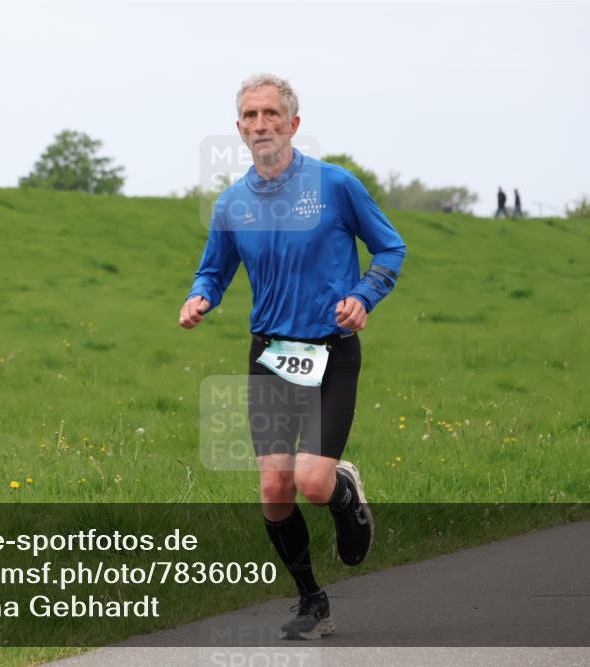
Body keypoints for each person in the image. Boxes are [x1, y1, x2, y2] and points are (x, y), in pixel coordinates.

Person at [179, 74, 406, 640]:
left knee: (310, 480)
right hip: (270, 355)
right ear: (239, 129)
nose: (261, 124)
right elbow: (214, 267)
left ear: (293, 124)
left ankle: (343, 490)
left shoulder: (335, 185)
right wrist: (200, 294)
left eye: (272, 114)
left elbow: (390, 247)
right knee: (275, 486)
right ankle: (312, 601)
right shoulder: (232, 203)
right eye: (251, 116)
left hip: (331, 352)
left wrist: (364, 296)